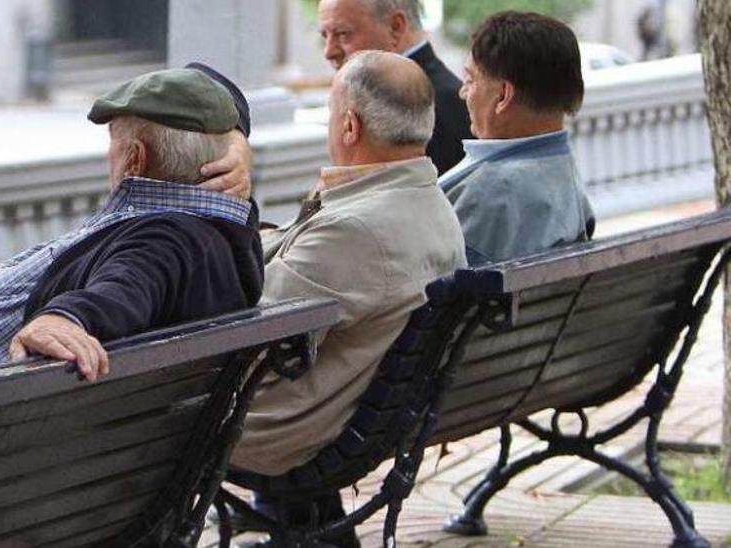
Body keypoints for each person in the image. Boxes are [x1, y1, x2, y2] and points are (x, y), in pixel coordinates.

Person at [227, 50, 466, 545]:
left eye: (331, 114)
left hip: (285, 432)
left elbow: (241, 318)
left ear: (351, 127)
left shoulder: (357, 230)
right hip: (357, 417)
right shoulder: (426, 203)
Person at [0, 68, 264, 380]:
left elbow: (129, 284)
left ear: (135, 160)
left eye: (114, 145)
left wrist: (67, 316)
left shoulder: (167, 237)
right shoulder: (225, 233)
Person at [439, 11, 595, 266]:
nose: (462, 92)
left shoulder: (488, 194)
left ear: (503, 95)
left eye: (470, 79)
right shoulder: (563, 172)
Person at [318, 0, 473, 175]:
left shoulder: (436, 105)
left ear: (395, 27)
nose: (329, 51)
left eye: (343, 33)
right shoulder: (439, 97)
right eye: (325, 36)